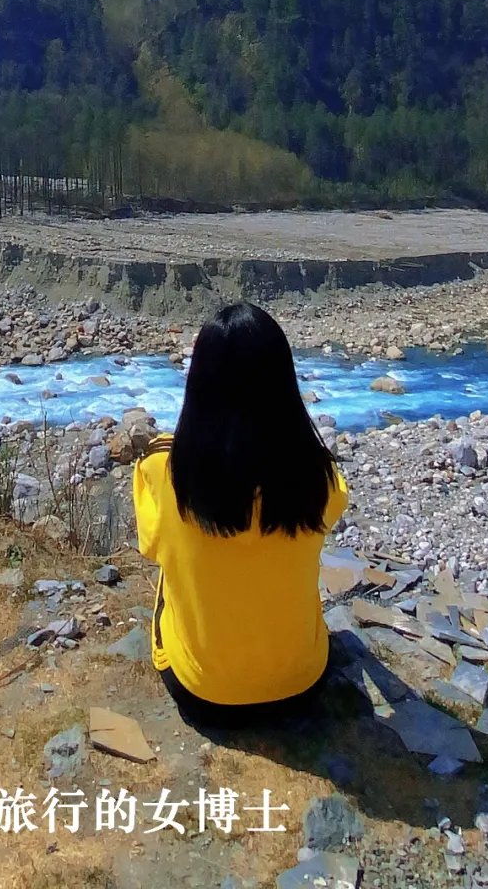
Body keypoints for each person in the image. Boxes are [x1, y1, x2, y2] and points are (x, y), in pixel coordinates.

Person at [133, 300, 347, 728]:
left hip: (202, 692)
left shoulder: (162, 470)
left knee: (167, 574)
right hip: (303, 684)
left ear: (199, 385)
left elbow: (150, 548)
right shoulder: (319, 477)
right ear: (285, 384)